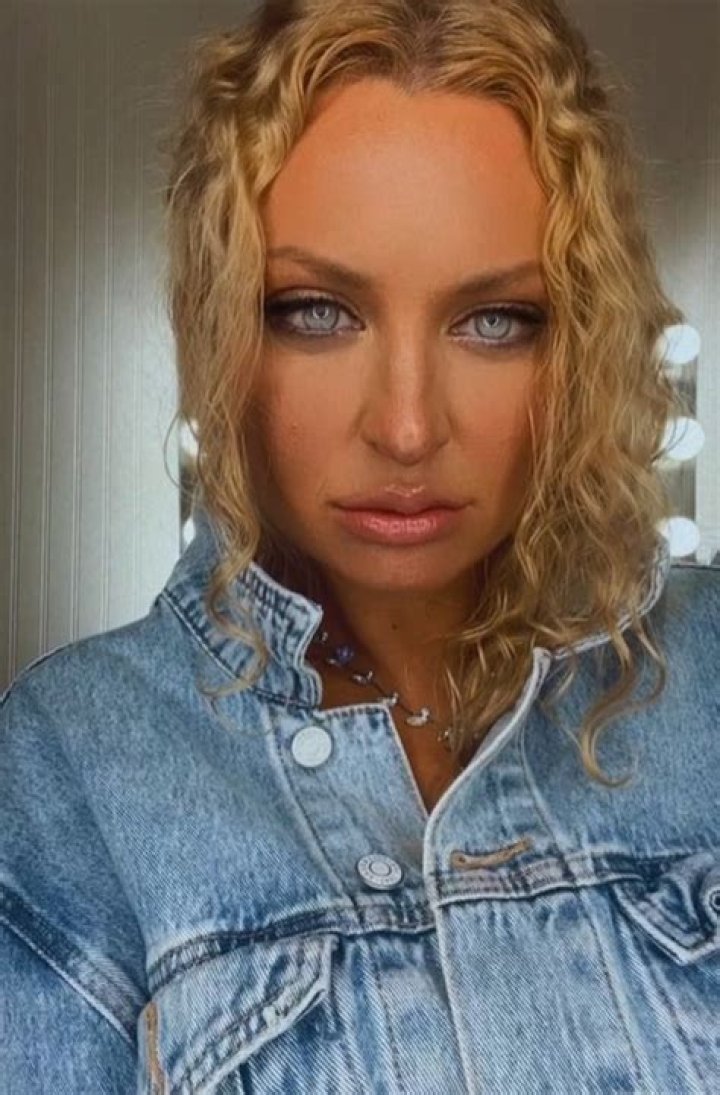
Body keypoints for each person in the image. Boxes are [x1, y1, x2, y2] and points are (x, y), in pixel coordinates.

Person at [2, 0, 718, 1091]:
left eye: (494, 320)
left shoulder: (704, 672)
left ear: (577, 341)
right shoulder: (71, 763)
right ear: (222, 327)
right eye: (317, 312)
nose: (407, 427)